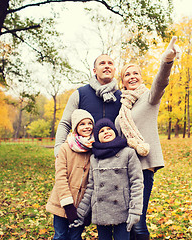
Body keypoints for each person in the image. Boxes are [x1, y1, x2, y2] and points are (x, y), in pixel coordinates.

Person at [115, 36, 181, 240]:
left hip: (143, 168)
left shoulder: (150, 97)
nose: (132, 76)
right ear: (123, 81)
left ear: (141, 77)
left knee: (137, 222)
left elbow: (161, 81)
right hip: (123, 168)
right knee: (126, 220)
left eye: (136, 73)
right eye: (128, 74)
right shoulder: (122, 105)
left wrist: (166, 60)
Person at [70, 118, 144, 240]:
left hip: (123, 210)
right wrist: (81, 214)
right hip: (101, 211)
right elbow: (91, 187)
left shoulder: (128, 153)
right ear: (97, 137)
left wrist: (135, 211)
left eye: (109, 129)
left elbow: (137, 183)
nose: (106, 132)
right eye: (101, 131)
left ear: (115, 131)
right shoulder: (94, 157)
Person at [54, 54, 121, 157]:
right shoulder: (80, 94)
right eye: (102, 63)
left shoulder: (122, 97)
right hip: (85, 156)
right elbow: (65, 123)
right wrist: (58, 151)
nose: (107, 66)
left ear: (114, 69)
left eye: (110, 63)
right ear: (94, 71)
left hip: (115, 156)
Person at [46, 109, 95, 240]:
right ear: (75, 127)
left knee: (75, 237)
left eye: (89, 123)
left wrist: (87, 208)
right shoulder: (65, 148)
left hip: (81, 206)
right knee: (60, 236)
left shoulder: (94, 150)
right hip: (62, 202)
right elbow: (60, 177)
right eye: (82, 124)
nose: (87, 127)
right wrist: (67, 205)